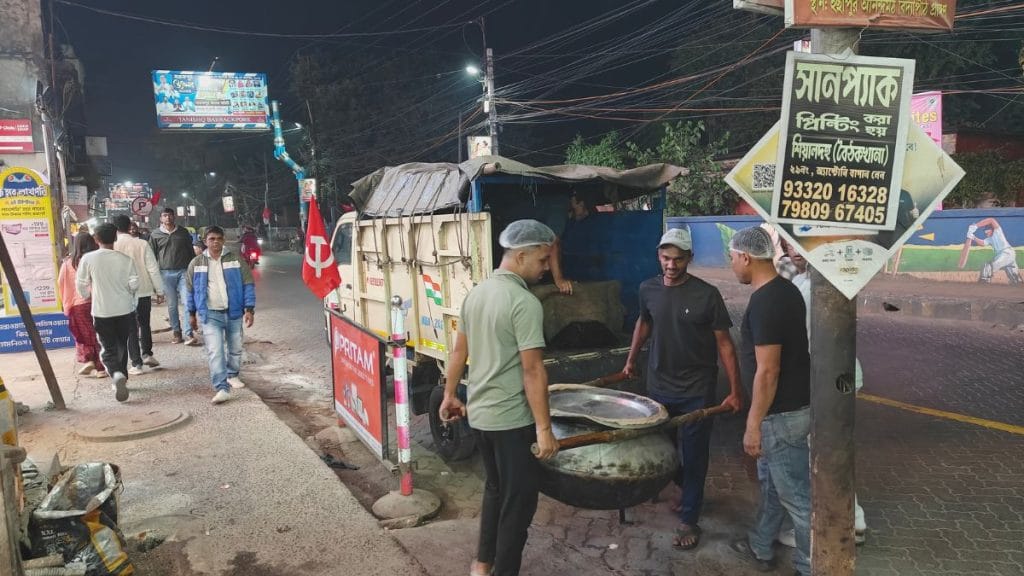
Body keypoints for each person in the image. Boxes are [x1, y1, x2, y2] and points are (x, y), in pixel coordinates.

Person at [438, 219, 560, 576]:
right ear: (521, 256)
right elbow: (533, 371)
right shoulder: (524, 302)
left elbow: (459, 351)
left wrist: (449, 395)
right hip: (512, 421)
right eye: (542, 260)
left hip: (480, 416)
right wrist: (544, 429)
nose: (545, 269)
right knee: (518, 505)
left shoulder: (477, 292)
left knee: (495, 490)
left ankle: (482, 565)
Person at [622, 227, 743, 550]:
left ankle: (690, 517)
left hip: (697, 390)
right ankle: (685, 489)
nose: (671, 265)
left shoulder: (707, 295)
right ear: (658, 256)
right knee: (665, 448)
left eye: (678, 259)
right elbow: (644, 323)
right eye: (665, 258)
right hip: (659, 384)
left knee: (695, 454)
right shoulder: (647, 288)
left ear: (689, 258)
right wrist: (631, 359)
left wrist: (735, 389)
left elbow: (725, 345)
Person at [726, 227, 811, 576]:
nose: (732, 267)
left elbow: (768, 371)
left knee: (798, 499)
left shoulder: (766, 301)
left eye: (731, 259)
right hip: (788, 410)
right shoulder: (786, 290)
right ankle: (761, 543)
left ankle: (811, 565)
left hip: (780, 414)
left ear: (746, 257)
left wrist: (752, 424)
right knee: (773, 486)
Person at [775, 240, 867, 548]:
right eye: (789, 246)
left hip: (826, 379)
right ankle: (853, 520)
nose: (794, 251)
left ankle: (832, 527)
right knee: (833, 449)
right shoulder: (815, 279)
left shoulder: (811, 287)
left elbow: (799, 338)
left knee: (822, 453)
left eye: (800, 244)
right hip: (840, 375)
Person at [186, 226, 256, 404]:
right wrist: (191, 314)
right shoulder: (197, 263)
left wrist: (249, 309)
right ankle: (221, 387)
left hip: (233, 312)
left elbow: (248, 284)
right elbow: (190, 290)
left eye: (218, 238)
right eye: (211, 239)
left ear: (223, 240)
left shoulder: (236, 260)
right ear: (205, 240)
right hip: (210, 315)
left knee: (235, 348)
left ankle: (233, 374)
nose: (215, 242)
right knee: (215, 352)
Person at [76, 223, 139, 403]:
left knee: (107, 347)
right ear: (116, 238)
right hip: (125, 309)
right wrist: (128, 292)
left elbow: (80, 283)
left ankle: (116, 373)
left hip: (102, 311)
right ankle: (122, 376)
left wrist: (88, 295)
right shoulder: (125, 260)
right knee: (122, 343)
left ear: (96, 239)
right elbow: (134, 283)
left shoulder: (88, 259)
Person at [114, 215, 165, 375]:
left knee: (130, 329)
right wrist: (160, 290)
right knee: (144, 323)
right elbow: (153, 268)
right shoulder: (142, 243)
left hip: (123, 293)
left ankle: (136, 364)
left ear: (115, 228)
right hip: (143, 291)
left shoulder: (112, 246)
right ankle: (147, 354)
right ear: (129, 226)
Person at [58, 232, 106, 378]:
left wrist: (67, 304)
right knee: (101, 334)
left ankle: (92, 361)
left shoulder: (68, 263)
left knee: (87, 335)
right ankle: (100, 367)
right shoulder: (97, 260)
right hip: (99, 301)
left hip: (78, 305)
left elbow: (61, 284)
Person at [150, 207, 201, 345]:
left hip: (183, 272)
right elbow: (152, 257)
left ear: (174, 217)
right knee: (172, 305)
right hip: (165, 274)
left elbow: (190, 253)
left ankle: (188, 333)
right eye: (165, 216)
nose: (168, 218)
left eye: (170, 215)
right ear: (161, 218)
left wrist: (193, 271)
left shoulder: (183, 232)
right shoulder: (155, 235)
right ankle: (176, 332)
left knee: (186, 302)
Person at [967, 217, 1021, 284]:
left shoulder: (997, 231)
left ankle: (983, 284)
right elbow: (983, 243)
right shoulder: (989, 239)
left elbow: (991, 220)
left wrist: (975, 226)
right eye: (985, 231)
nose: (986, 233)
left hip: (1006, 253)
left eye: (987, 231)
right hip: (1007, 255)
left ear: (992, 230)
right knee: (1015, 279)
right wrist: (973, 237)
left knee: (988, 267)